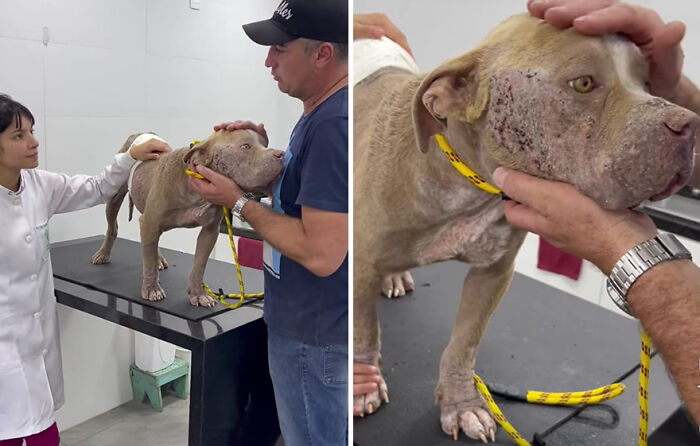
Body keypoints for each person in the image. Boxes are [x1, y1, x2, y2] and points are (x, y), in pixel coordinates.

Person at [352, 1, 700, 425]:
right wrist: (362, 353)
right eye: (584, 83)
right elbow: (361, 263)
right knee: (372, 257)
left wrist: (459, 378)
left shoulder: (504, 175)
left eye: (644, 83)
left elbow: (493, 268)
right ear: (453, 94)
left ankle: (458, 379)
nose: (682, 119)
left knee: (491, 260)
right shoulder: (397, 165)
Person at [188, 1, 349, 444]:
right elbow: (308, 195)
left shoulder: (334, 123)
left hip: (315, 338)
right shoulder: (320, 111)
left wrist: (237, 202)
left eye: (279, 48)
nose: (267, 61)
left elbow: (321, 253)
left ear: (322, 55)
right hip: (303, 324)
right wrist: (255, 147)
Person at [0, 94, 171, 446]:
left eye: (32, 131)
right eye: (18, 136)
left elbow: (97, 188)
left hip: (37, 341)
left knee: (42, 433)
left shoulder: (38, 185)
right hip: (5, 347)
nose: (33, 142)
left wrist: (130, 156)